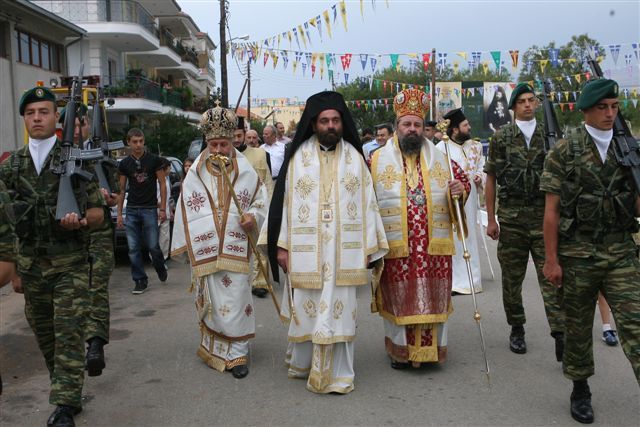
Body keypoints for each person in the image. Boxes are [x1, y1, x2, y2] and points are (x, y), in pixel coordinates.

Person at [264, 91, 388, 394]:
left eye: (335, 120)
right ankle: (304, 364)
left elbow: (369, 204)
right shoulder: (298, 158)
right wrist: (282, 246)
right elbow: (284, 205)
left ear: (342, 123)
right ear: (314, 123)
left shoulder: (356, 158)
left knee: (339, 312)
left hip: (345, 252)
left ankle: (339, 374)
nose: (330, 125)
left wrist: (371, 248)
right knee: (308, 309)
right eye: (324, 121)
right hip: (307, 252)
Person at [0, 86, 106, 426]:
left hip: (70, 265)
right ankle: (66, 389)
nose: (36, 118)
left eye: (43, 112)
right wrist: (13, 269)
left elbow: (98, 214)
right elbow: (5, 226)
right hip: (31, 270)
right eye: (30, 113)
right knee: (46, 337)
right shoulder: (10, 167)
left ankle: (63, 406)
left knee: (69, 332)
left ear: (54, 118)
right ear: (24, 120)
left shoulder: (73, 158)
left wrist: (78, 221)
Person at [541, 78, 640, 423]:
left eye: (614, 107)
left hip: (620, 252)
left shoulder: (631, 149)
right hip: (577, 254)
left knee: (636, 322)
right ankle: (580, 388)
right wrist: (551, 260)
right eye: (602, 107)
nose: (610, 113)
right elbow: (551, 212)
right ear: (585, 111)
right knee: (578, 327)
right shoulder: (563, 152)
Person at [370, 88, 469, 368]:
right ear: (397, 127)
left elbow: (462, 186)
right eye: (406, 124)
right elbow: (366, 202)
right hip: (397, 247)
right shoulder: (376, 161)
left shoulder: (442, 159)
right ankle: (400, 352)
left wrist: (459, 190)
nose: (411, 129)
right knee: (400, 298)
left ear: (423, 128)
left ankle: (432, 352)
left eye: (416, 124)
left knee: (432, 298)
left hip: (431, 249)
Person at [171, 104, 268, 379]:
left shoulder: (246, 170)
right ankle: (213, 349)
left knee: (236, 298)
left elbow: (261, 202)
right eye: (213, 144)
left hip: (236, 248)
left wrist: (252, 217)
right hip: (207, 249)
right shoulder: (196, 172)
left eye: (223, 144)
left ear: (231, 141)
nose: (218, 150)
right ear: (207, 142)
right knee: (211, 300)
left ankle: (237, 353)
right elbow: (187, 207)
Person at [485, 83, 565, 359]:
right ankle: (517, 327)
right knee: (511, 280)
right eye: (522, 101)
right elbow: (491, 178)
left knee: (552, 278)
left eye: (532, 100)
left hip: (545, 220)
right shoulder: (502, 137)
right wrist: (492, 219)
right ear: (514, 107)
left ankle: (560, 332)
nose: (529, 105)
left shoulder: (551, 136)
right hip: (513, 220)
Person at [58, 105, 119, 378]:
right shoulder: (54, 159)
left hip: (99, 233)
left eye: (81, 125)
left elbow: (115, 191)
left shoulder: (98, 155)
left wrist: (109, 196)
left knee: (96, 289)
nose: (78, 130)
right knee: (72, 298)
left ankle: (95, 344)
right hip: (66, 239)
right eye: (73, 126)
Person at [437, 108, 484, 295]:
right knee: (456, 239)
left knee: (470, 236)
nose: (469, 127)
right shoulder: (441, 149)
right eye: (465, 125)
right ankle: (457, 282)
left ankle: (473, 280)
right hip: (451, 200)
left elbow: (482, 166)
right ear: (455, 129)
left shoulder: (475, 146)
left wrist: (480, 176)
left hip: (471, 200)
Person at [117, 128, 168, 294]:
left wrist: (162, 208)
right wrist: (119, 214)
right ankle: (140, 280)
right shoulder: (124, 164)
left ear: (144, 141)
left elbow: (162, 183)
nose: (138, 145)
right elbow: (122, 190)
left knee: (153, 246)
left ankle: (160, 266)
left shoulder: (154, 160)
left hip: (149, 208)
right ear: (129, 143)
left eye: (140, 141)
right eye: (134, 142)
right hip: (131, 209)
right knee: (133, 248)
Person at [232, 117, 274, 298]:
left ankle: (260, 282)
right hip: (235, 207)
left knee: (260, 245)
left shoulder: (260, 154)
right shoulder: (226, 154)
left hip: (257, 205)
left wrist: (270, 206)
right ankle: (236, 280)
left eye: (239, 135)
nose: (236, 139)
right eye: (232, 136)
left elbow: (267, 180)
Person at [157, 158, 172, 260]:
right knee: (154, 238)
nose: (170, 170)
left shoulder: (167, 180)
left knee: (165, 238)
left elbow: (169, 197)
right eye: (169, 168)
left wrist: (170, 210)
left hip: (166, 211)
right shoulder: (155, 180)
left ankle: (162, 259)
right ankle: (155, 259)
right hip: (156, 211)